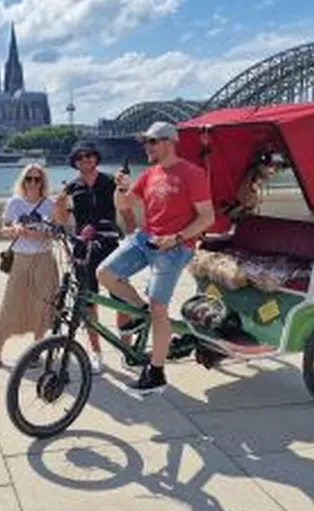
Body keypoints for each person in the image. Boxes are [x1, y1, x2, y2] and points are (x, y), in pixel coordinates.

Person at [97, 121, 215, 394]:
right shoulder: (150, 174)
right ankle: (140, 313)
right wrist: (120, 187)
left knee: (158, 308)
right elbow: (124, 205)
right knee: (105, 274)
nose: (146, 147)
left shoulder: (192, 174)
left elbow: (207, 218)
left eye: (151, 141)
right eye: (145, 142)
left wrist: (176, 238)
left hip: (175, 248)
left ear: (168, 142)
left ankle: (157, 372)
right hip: (146, 239)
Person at [54, 141, 135, 374]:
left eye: (89, 156)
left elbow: (127, 212)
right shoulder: (71, 187)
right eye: (80, 157)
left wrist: (131, 240)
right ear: (75, 162)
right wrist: (59, 203)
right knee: (89, 302)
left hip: (110, 246)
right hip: (83, 249)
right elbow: (60, 219)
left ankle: (126, 350)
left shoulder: (111, 182)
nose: (85, 160)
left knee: (122, 299)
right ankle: (96, 353)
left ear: (96, 158)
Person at [0, 163, 59, 368]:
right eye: (28, 178)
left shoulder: (50, 204)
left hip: (44, 260)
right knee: (10, 306)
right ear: (23, 180)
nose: (32, 183)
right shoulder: (15, 203)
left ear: (43, 182)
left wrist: (43, 233)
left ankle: (36, 351)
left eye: (37, 179)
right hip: (20, 259)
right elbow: (3, 229)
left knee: (42, 306)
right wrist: (15, 230)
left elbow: (58, 231)